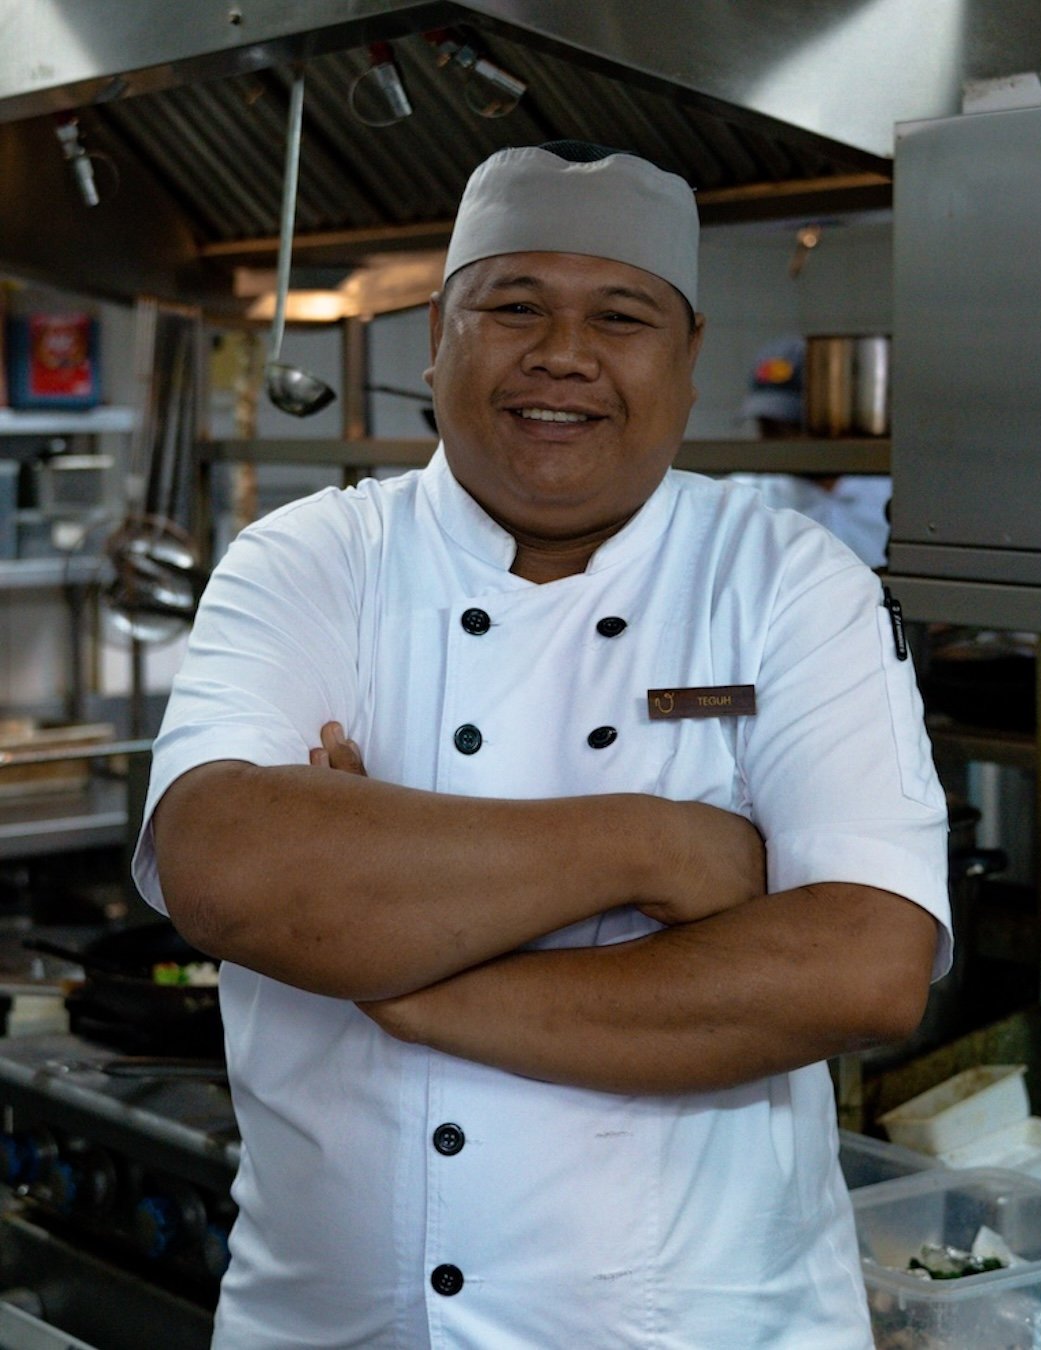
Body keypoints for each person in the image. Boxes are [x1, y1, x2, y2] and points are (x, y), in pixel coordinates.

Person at [134, 141, 950, 1349]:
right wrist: (652, 844)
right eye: (514, 307)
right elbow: (225, 869)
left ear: (687, 359)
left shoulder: (788, 581)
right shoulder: (309, 559)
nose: (563, 354)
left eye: (620, 316)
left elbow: (861, 968)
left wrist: (399, 976)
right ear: (437, 336)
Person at [736, 334, 894, 569]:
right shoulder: (741, 500)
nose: (779, 440)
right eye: (768, 426)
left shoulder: (888, 495)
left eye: (793, 426)